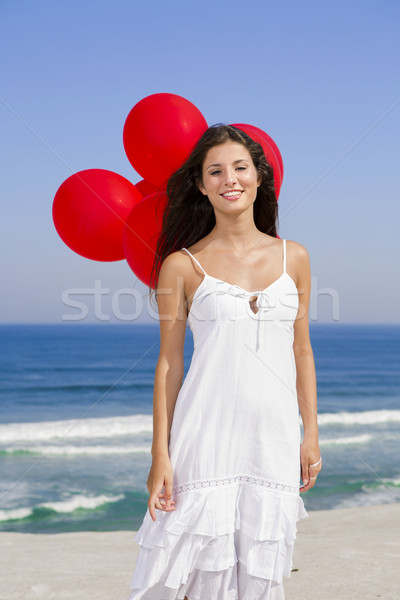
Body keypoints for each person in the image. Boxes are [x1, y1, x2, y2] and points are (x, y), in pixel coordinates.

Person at [128, 124, 322, 600]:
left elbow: (301, 349)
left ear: (259, 177)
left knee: (260, 572)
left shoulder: (293, 257)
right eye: (215, 171)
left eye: (240, 167)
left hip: (272, 438)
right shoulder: (181, 265)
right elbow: (169, 365)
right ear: (200, 184)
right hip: (203, 437)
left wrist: (311, 432)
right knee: (191, 573)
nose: (229, 179)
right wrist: (160, 455)